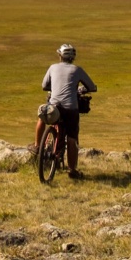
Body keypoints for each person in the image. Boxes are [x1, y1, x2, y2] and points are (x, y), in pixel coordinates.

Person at [40, 43, 96, 179]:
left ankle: (38, 147)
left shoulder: (53, 67)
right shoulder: (77, 70)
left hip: (54, 106)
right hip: (71, 108)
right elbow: (92, 87)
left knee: (45, 116)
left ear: (60, 55)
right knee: (72, 137)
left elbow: (44, 86)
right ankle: (72, 170)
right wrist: (82, 89)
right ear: (73, 57)